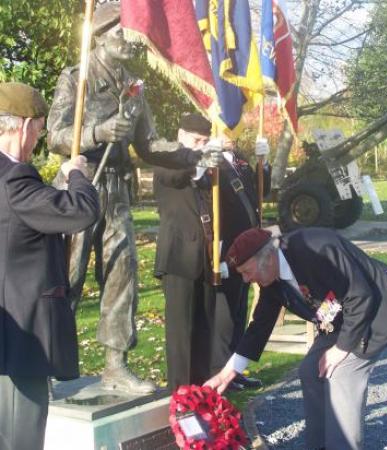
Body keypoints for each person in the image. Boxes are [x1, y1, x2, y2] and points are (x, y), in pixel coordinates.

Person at [47, 3, 217, 394]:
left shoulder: (134, 88)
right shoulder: (76, 78)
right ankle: (51, 361)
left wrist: (191, 154)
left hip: (117, 192)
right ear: (103, 35)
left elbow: (149, 144)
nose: (133, 41)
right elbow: (55, 135)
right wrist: (98, 131)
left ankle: (115, 364)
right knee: (66, 278)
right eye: (125, 33)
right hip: (80, 189)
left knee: (123, 275)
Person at [206, 227, 387, 450]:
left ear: (268, 257)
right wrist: (226, 374)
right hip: (343, 319)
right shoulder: (272, 279)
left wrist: (340, 349)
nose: (246, 279)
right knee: (310, 369)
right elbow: (259, 326)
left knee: (340, 371)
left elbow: (361, 295)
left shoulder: (317, 249)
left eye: (247, 271)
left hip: (378, 310)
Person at [0, 82, 99, 450]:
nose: (39, 134)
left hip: (8, 323)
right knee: (20, 437)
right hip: (21, 337)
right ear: (24, 125)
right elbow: (81, 211)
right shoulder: (15, 180)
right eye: (40, 126)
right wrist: (76, 173)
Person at [153, 113, 216, 391]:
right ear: (181, 136)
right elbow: (174, 176)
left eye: (205, 141)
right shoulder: (169, 158)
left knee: (204, 331)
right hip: (179, 256)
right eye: (196, 140)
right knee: (181, 335)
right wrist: (198, 160)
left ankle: (201, 394)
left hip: (205, 254)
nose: (200, 145)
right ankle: (180, 395)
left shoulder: (203, 165)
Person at [210, 134, 271, 390]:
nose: (231, 136)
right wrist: (219, 252)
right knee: (224, 315)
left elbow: (261, 191)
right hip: (227, 247)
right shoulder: (212, 165)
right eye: (225, 130)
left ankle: (234, 368)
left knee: (239, 310)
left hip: (247, 249)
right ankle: (219, 367)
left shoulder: (240, 161)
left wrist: (263, 164)